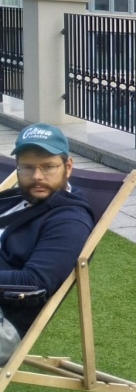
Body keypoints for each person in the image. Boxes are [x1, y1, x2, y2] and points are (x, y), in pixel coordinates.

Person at [0, 123, 94, 361]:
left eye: (48, 167)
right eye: (27, 167)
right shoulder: (19, 199)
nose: (37, 177)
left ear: (68, 167)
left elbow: (34, 282)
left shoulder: (69, 221)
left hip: (6, 324)